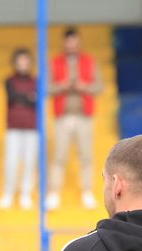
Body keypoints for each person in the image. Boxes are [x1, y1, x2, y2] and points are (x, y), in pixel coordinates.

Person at [46, 27, 102, 212]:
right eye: (68, 42)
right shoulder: (54, 62)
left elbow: (98, 87)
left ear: (78, 43)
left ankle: (87, 191)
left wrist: (83, 86)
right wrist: (62, 85)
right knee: (59, 156)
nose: (71, 45)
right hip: (62, 116)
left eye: (74, 42)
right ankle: (54, 193)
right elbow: (46, 88)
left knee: (86, 156)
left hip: (83, 116)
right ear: (64, 43)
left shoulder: (89, 61)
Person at [0, 47, 38, 210]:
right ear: (15, 63)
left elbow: (34, 101)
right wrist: (27, 97)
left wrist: (26, 99)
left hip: (31, 128)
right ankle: (8, 193)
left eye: (26, 61)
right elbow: (13, 97)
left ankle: (25, 194)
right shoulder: (9, 80)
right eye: (20, 61)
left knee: (29, 162)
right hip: (13, 127)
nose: (23, 64)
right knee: (11, 161)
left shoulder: (36, 81)